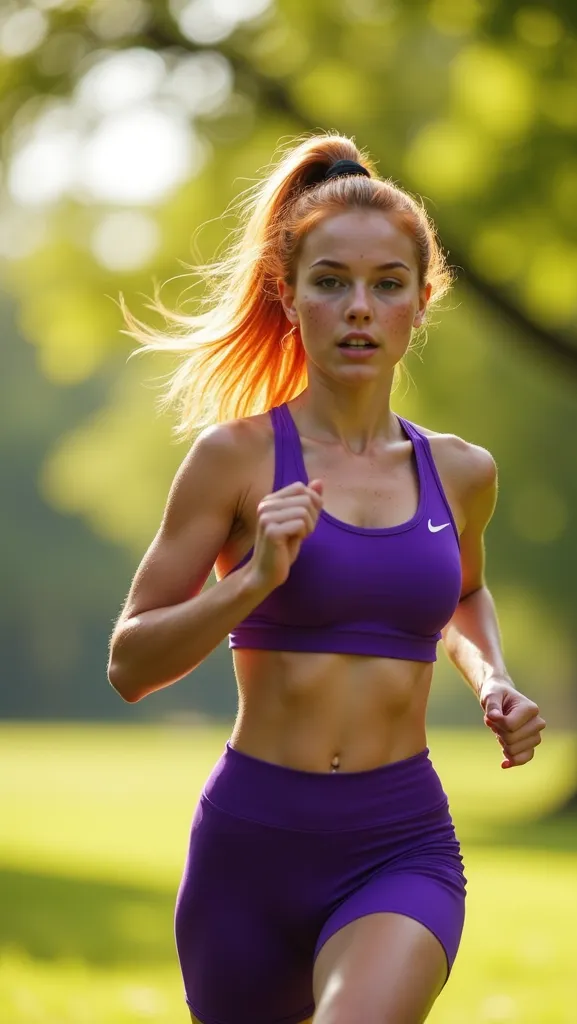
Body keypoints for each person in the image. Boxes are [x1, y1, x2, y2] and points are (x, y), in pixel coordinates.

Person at [108, 133, 546, 1024]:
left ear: (423, 303)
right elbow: (130, 664)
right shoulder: (232, 459)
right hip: (251, 847)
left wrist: (493, 678)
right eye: (330, 281)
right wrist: (252, 581)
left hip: (399, 841)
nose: (359, 307)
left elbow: (460, 593)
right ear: (290, 293)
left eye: (388, 284)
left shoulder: (462, 472)